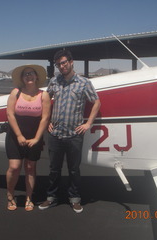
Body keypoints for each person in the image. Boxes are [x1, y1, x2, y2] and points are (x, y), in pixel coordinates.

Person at [39, 50, 101, 213]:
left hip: (74, 135)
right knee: (54, 169)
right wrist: (46, 123)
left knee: (74, 169)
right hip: (55, 134)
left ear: (71, 62)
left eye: (64, 62)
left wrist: (88, 123)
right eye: (58, 64)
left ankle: (74, 198)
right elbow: (45, 100)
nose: (61, 66)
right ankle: (51, 197)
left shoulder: (84, 82)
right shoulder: (54, 81)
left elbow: (96, 102)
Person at [5, 65, 51, 211]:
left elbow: (45, 118)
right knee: (14, 167)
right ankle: (10, 195)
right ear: (22, 78)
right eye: (25, 74)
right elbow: (10, 114)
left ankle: (29, 197)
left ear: (37, 77)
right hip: (15, 135)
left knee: (30, 167)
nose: (29, 76)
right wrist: (19, 135)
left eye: (31, 73)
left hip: (34, 136)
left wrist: (37, 138)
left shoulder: (43, 95)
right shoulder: (16, 93)